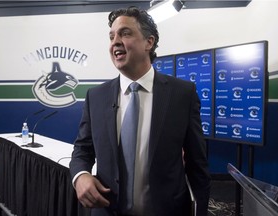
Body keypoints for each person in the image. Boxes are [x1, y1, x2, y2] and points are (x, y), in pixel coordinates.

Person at [70, 6, 211, 216]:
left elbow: (197, 163)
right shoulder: (96, 97)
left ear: (149, 42)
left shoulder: (182, 94)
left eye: (125, 33)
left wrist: (201, 210)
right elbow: (82, 149)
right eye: (111, 36)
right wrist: (80, 175)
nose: (115, 41)